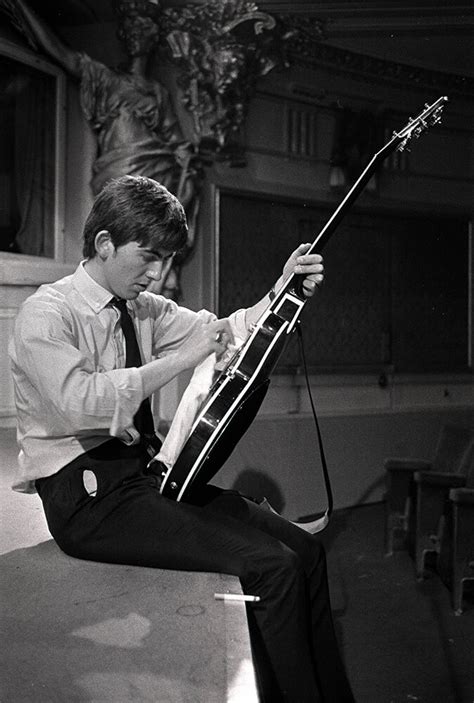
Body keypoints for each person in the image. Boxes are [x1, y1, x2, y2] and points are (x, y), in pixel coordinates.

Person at [9, 175, 355, 703]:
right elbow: (82, 402)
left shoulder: (143, 308)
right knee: (273, 565)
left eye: (165, 259)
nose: (157, 274)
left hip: (145, 479)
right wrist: (177, 361)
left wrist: (282, 290)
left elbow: (226, 331)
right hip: (85, 501)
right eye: (147, 257)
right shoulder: (47, 313)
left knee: (305, 550)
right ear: (104, 244)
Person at [1, 0, 198, 298]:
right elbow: (60, 53)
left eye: (144, 33)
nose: (137, 39)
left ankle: (151, 295)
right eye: (132, 32)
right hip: (119, 165)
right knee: (127, 234)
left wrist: (184, 153)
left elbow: (176, 138)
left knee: (151, 239)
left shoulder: (158, 93)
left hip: (156, 167)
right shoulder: (105, 78)